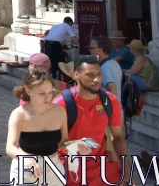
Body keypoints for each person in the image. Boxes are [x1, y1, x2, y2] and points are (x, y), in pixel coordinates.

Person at [52, 55, 128, 186]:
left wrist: (127, 175)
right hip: (69, 170)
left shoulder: (110, 101)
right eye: (90, 75)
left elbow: (118, 137)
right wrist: (74, 145)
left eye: (99, 74)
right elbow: (51, 141)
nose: (96, 79)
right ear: (76, 75)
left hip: (102, 169)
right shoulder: (61, 103)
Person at [6, 71, 82, 186]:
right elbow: (10, 147)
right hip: (26, 170)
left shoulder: (59, 111)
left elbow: (63, 142)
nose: (47, 97)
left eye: (50, 92)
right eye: (41, 93)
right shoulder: (19, 114)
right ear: (28, 91)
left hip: (54, 168)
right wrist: (25, 158)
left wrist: (77, 145)